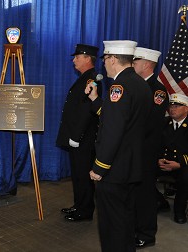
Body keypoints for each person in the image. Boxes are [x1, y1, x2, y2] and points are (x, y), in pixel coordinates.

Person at [86, 40, 152, 252]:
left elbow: (113, 130)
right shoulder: (140, 83)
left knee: (112, 225)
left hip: (114, 169)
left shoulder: (119, 86)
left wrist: (100, 167)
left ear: (113, 59)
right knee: (124, 220)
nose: (103, 64)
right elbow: (120, 119)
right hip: (131, 166)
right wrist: (96, 100)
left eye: (105, 59)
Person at [56, 43, 102, 221]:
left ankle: (85, 210)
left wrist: (76, 137)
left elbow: (86, 111)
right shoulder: (84, 78)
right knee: (77, 174)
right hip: (78, 137)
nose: (74, 60)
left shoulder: (92, 80)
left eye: (77, 57)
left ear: (87, 59)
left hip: (83, 138)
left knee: (83, 175)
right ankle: (79, 205)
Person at [132, 47, 169, 248]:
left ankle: (146, 234)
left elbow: (150, 123)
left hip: (146, 150)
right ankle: (134, 227)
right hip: (134, 149)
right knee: (134, 193)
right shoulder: (136, 86)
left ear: (146, 64)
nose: (132, 64)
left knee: (145, 193)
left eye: (135, 61)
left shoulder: (158, 91)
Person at [158, 93, 188, 224]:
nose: (172, 109)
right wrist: (157, 158)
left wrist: (180, 163)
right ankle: (160, 201)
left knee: (186, 178)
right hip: (163, 163)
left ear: (186, 108)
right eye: (171, 106)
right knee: (141, 172)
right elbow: (155, 144)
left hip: (183, 165)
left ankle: (179, 211)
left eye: (177, 106)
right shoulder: (164, 122)